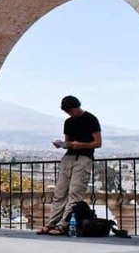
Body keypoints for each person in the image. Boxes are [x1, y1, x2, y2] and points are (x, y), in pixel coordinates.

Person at [37, 95, 102, 235]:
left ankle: (64, 224)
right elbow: (68, 142)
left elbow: (98, 143)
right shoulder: (68, 122)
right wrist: (62, 144)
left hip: (84, 157)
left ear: (77, 107)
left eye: (72, 110)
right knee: (60, 192)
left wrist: (81, 145)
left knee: (75, 193)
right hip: (69, 157)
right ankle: (51, 223)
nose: (71, 113)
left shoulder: (91, 119)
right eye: (68, 112)